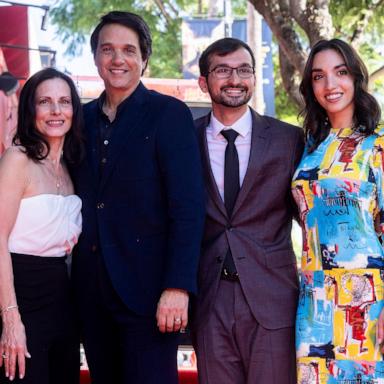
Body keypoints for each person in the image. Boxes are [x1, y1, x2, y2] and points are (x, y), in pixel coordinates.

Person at [70, 11, 205, 384]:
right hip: (92, 293)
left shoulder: (168, 114)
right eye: (107, 49)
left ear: (144, 59)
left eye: (129, 50)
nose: (118, 59)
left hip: (150, 296)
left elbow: (188, 207)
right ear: (95, 56)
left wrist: (177, 287)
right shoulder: (79, 119)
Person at [192, 37, 304, 384]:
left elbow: (313, 218)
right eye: (223, 70)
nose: (235, 79)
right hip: (209, 299)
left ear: (254, 78)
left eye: (244, 70)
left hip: (272, 297)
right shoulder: (184, 139)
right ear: (204, 82)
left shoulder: (290, 140)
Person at [292, 39, 384, 383]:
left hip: (367, 301)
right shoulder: (310, 148)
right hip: (314, 300)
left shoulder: (377, 144)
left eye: (340, 72)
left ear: (356, 78)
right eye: (319, 76)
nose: (330, 85)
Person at [0, 67, 84, 384]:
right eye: (44, 101)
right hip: (19, 298)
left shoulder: (71, 166)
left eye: (64, 101)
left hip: (62, 301)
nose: (55, 111)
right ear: (30, 108)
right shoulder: (17, 159)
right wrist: (10, 319)